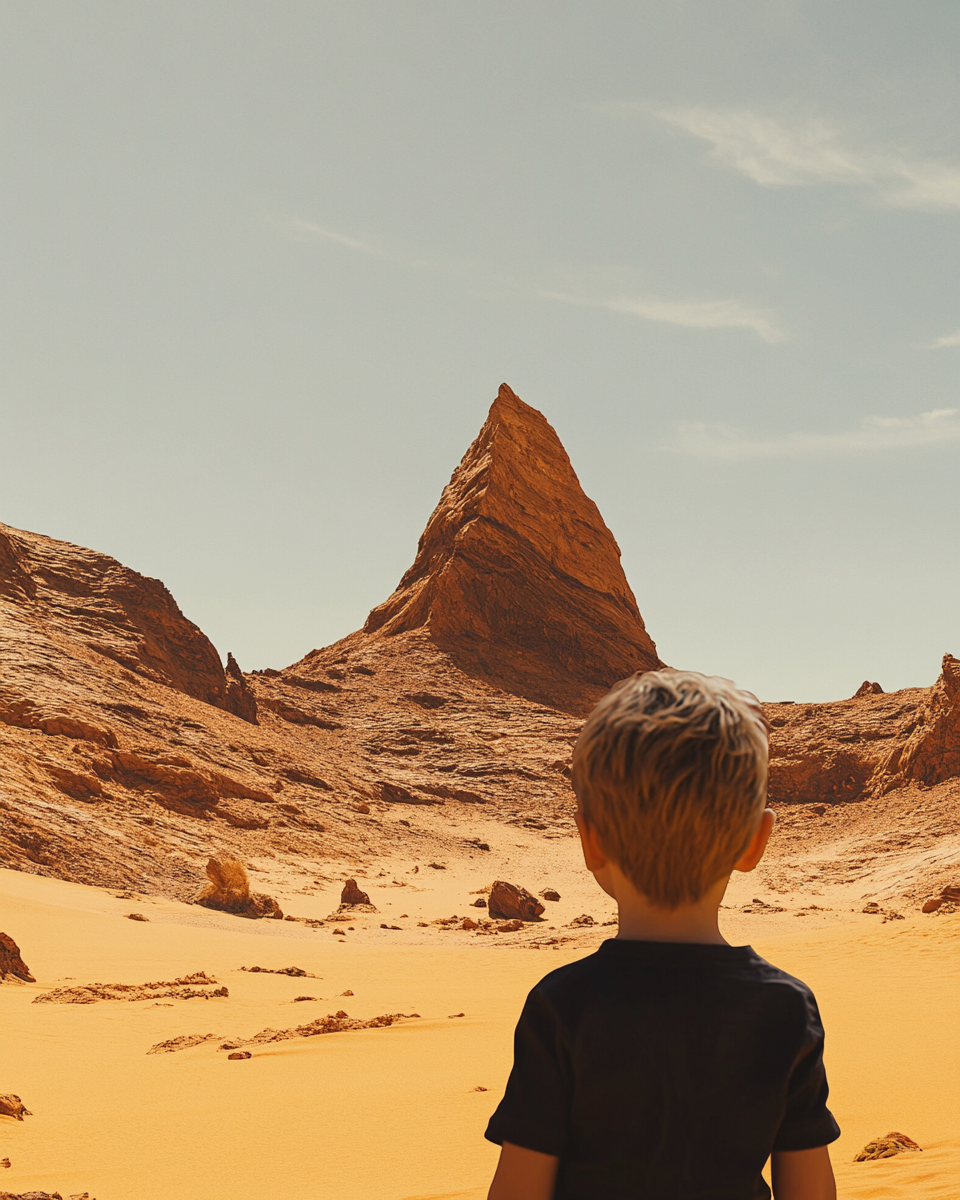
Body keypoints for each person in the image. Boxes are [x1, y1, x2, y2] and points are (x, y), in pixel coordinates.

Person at [485, 670, 839, 1200]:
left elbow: (519, 1189)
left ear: (591, 841)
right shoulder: (786, 1007)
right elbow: (810, 1190)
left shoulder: (562, 1006)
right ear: (755, 842)